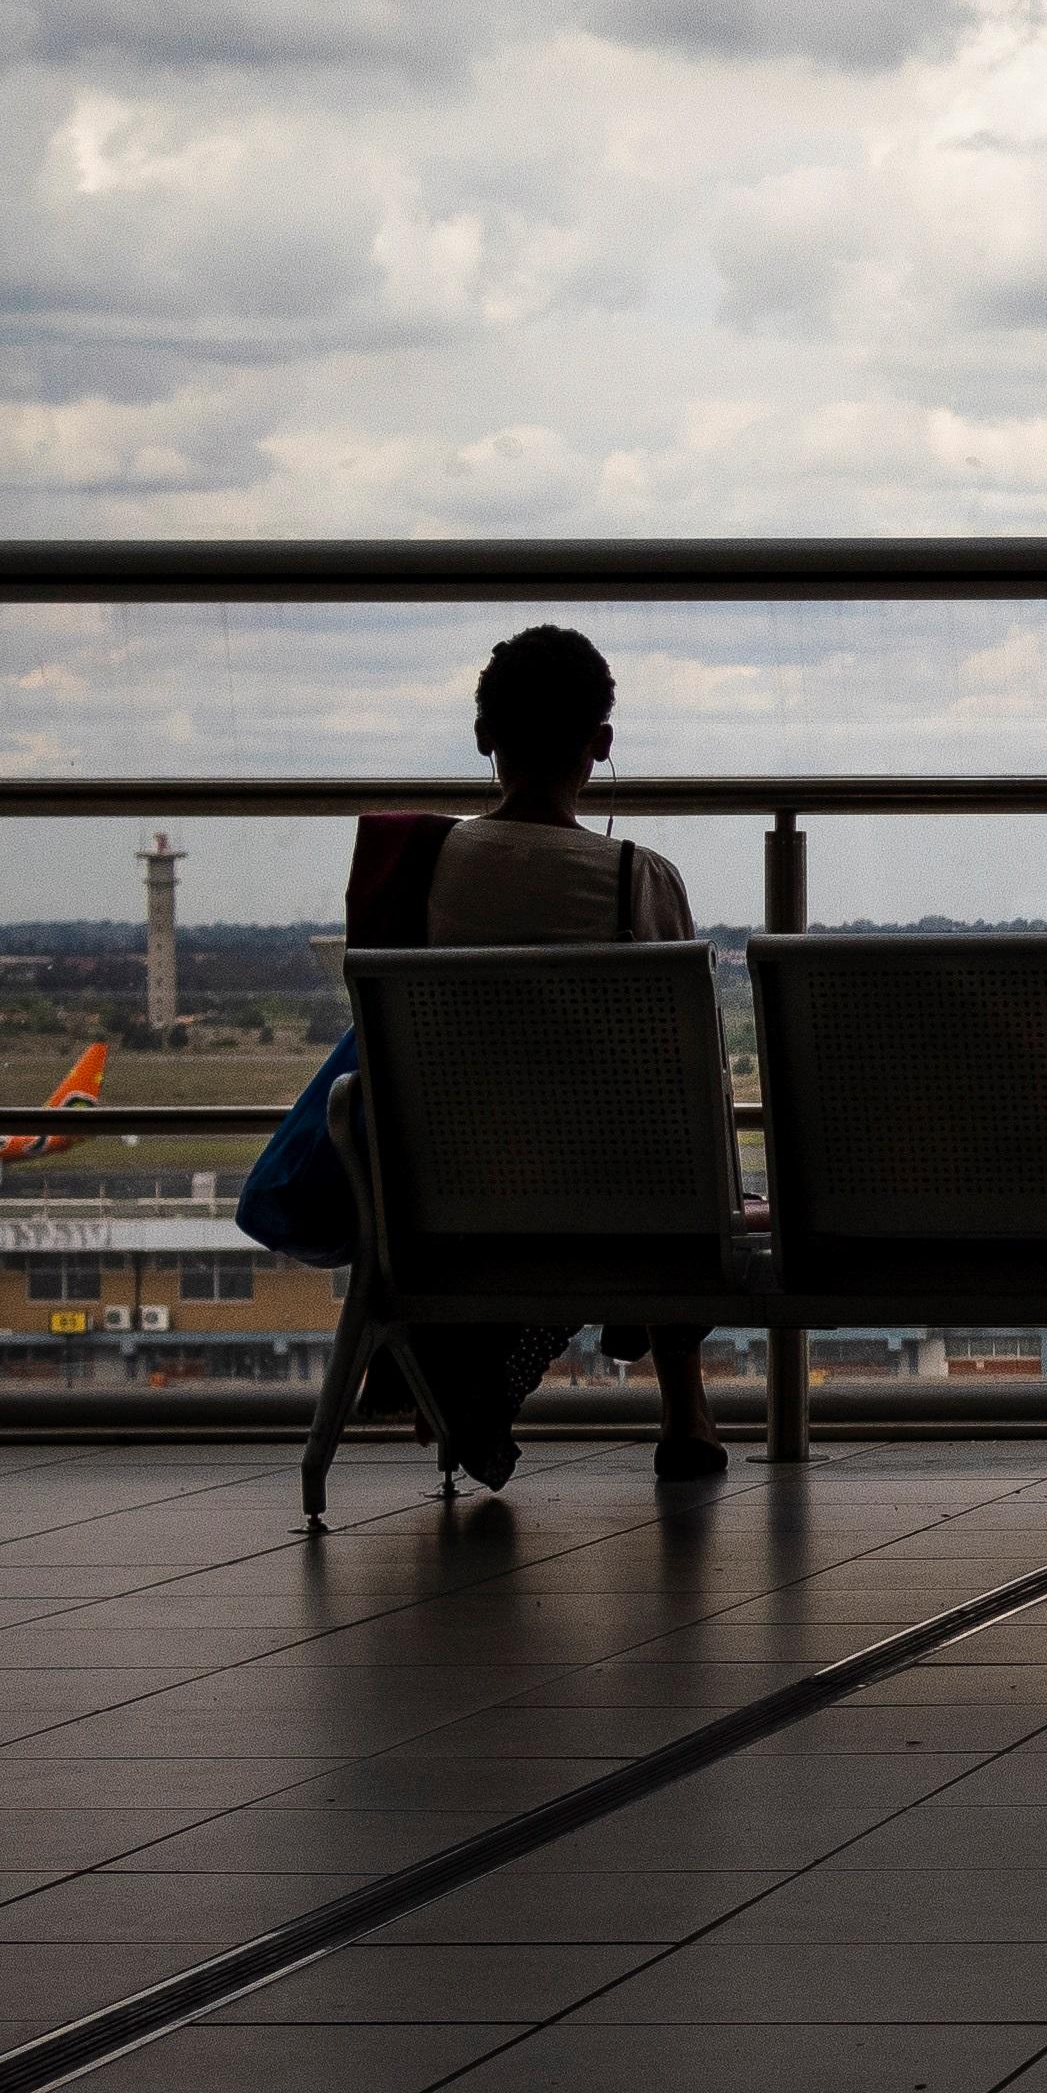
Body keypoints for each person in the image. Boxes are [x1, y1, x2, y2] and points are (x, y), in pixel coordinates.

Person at [424, 623, 723, 1489]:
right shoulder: (638, 878)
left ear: (485, 737)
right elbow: (683, 1062)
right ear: (601, 744)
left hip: (458, 1193)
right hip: (617, 1198)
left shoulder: (423, 867)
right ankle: (685, 1408)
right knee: (681, 1145)